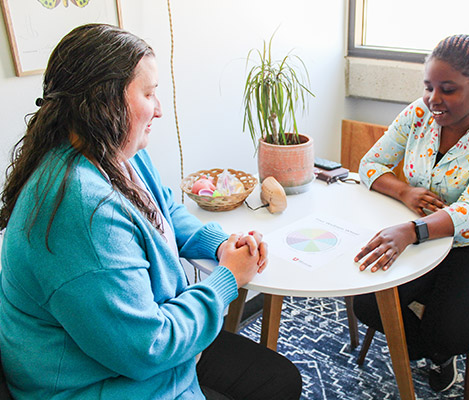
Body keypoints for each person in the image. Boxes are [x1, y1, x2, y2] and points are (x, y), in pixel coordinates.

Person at [0, 24, 301, 400]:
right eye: (149, 93)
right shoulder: (79, 210)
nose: (159, 110)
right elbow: (148, 348)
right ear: (104, 101)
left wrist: (219, 245)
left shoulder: (114, 153)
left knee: (280, 378)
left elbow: (165, 211)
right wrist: (226, 280)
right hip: (106, 382)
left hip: (135, 348)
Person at [352, 34, 469, 392]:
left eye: (448, 89)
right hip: (421, 236)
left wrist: (412, 232)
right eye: (429, 86)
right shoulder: (419, 114)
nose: (434, 99)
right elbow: (370, 164)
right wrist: (405, 190)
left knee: (448, 332)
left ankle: (441, 353)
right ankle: (432, 350)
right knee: (366, 304)